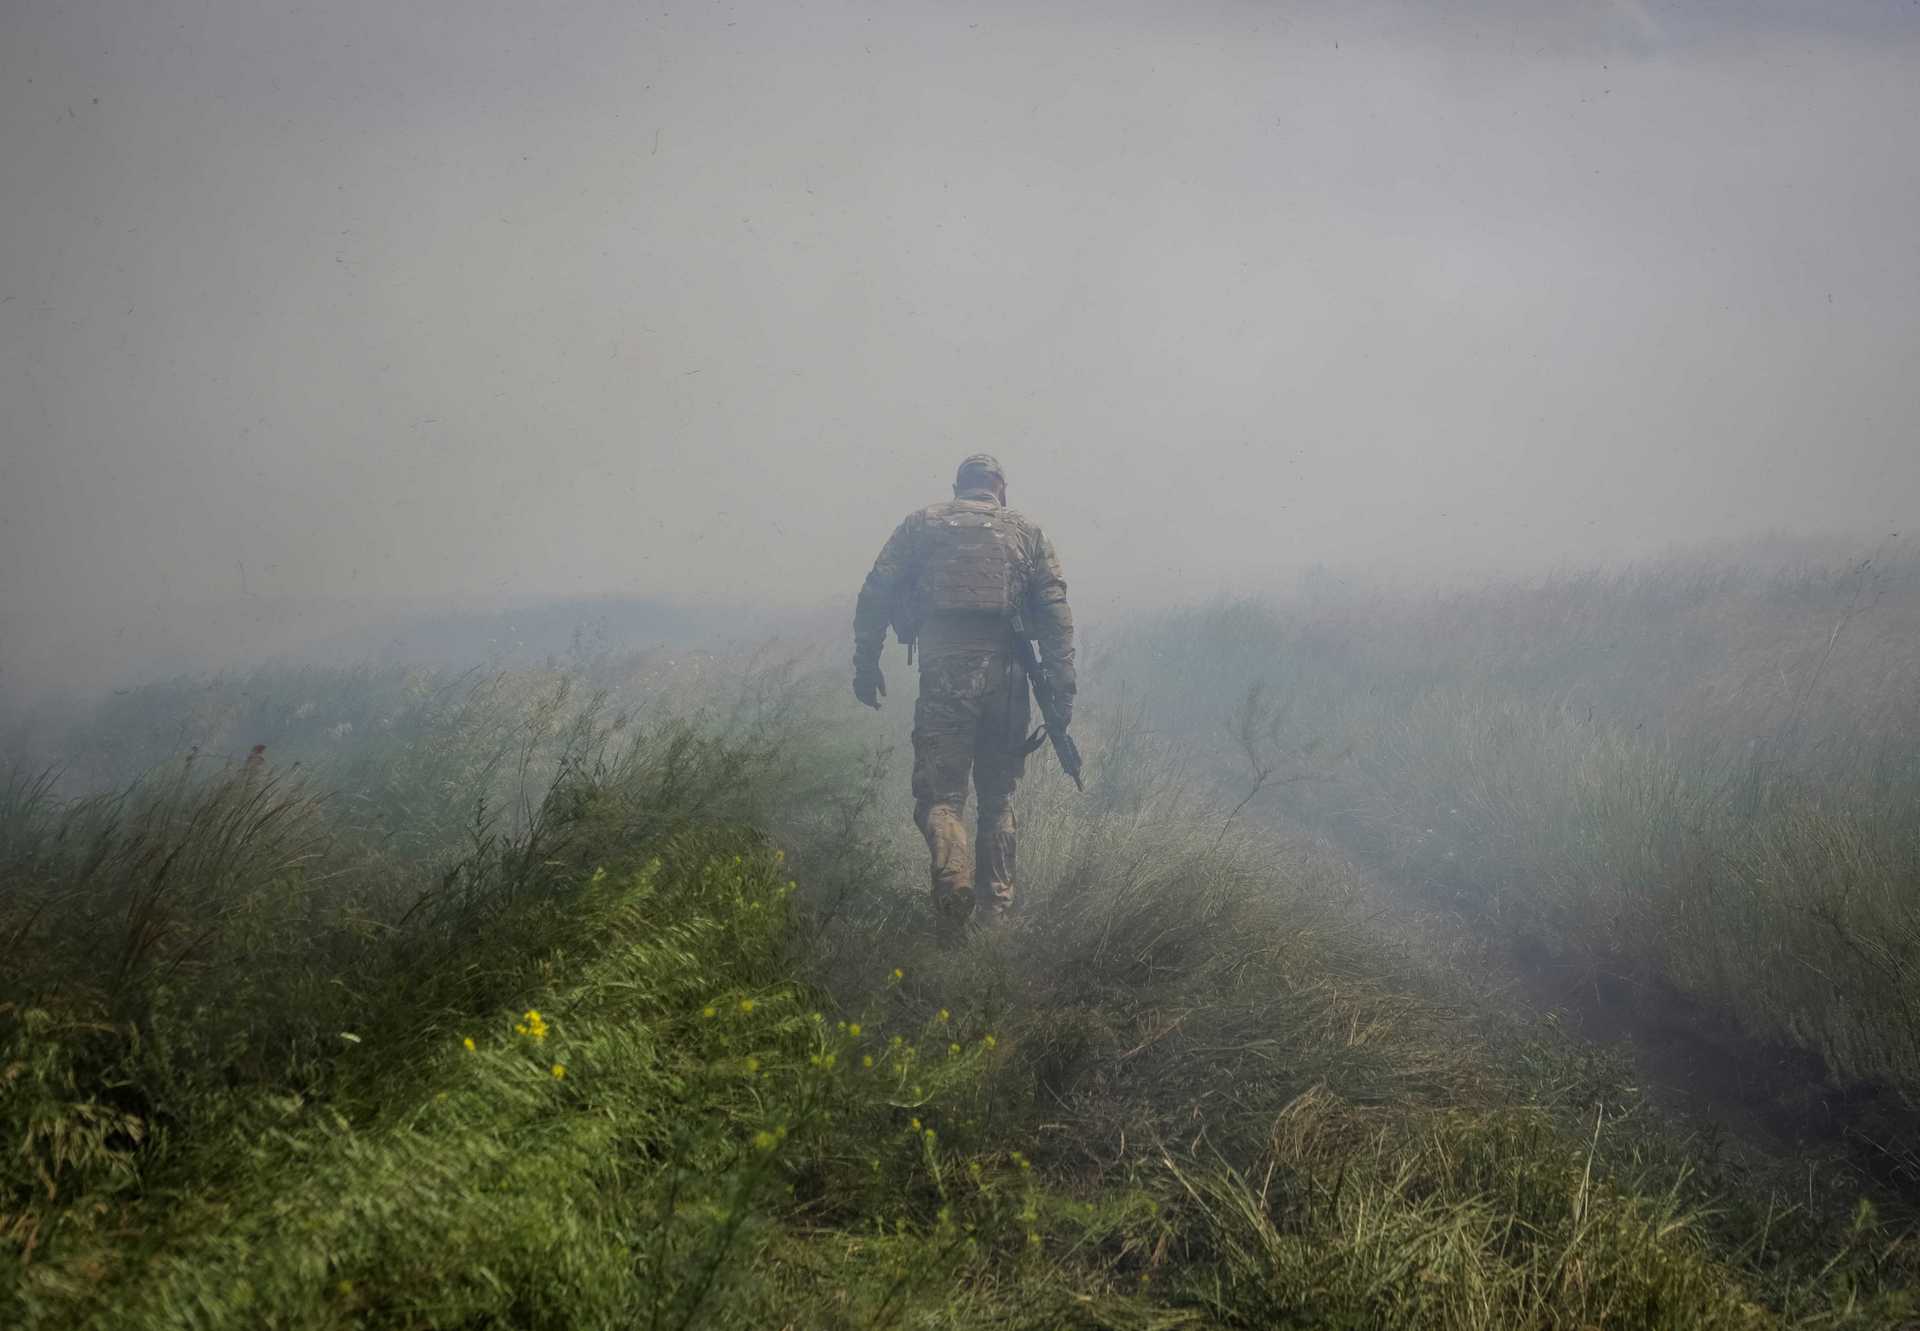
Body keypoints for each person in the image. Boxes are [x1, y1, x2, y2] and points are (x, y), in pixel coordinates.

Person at [852, 454, 1076, 936]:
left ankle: (953, 880)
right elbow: (1056, 615)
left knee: (941, 797)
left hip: (947, 672)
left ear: (958, 487)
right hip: (1011, 676)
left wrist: (866, 663)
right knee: (998, 797)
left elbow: (876, 591)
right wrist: (1061, 694)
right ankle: (995, 917)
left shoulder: (922, 524)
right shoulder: (1027, 531)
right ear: (1001, 490)